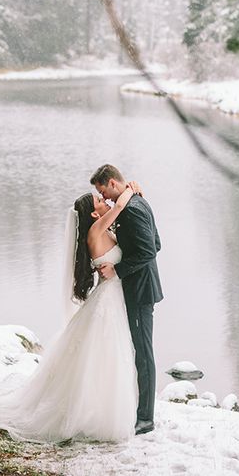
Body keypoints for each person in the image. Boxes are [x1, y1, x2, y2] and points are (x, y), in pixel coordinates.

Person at [0, 186, 140, 443]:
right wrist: (130, 188)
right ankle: (102, 416)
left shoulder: (99, 229)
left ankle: (107, 408)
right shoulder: (96, 230)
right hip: (108, 301)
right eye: (98, 199)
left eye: (102, 197)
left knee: (106, 355)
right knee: (107, 354)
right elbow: (121, 205)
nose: (104, 199)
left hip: (111, 298)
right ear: (94, 215)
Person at [90, 164, 163, 435]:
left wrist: (117, 270)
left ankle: (146, 418)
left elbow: (149, 252)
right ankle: (140, 410)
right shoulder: (138, 201)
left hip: (140, 290)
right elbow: (156, 244)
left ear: (112, 182)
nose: (105, 199)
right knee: (141, 351)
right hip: (143, 287)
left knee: (143, 353)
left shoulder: (131, 210)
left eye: (103, 192)